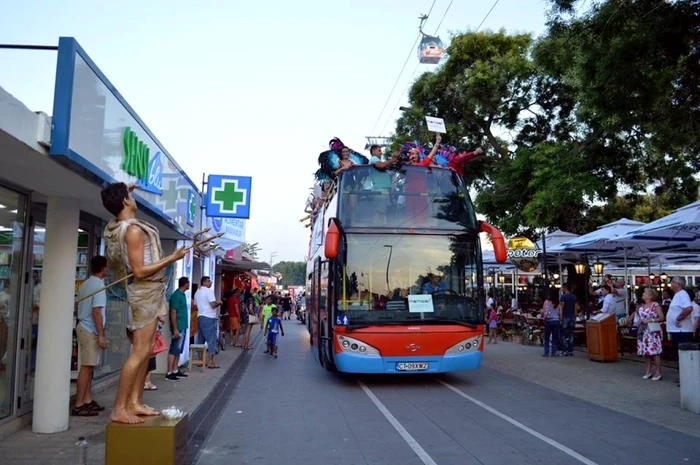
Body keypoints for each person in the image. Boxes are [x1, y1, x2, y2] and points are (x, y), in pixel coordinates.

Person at [101, 182, 187, 424]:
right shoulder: (133, 231)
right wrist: (172, 258)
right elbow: (138, 271)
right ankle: (120, 408)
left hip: (150, 293)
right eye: (129, 196)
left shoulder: (118, 226)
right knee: (139, 352)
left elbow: (112, 222)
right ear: (126, 202)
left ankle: (135, 402)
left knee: (147, 350)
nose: (133, 198)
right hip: (144, 294)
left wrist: (124, 193)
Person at [73, 255, 109, 417]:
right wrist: (101, 335)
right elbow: (96, 311)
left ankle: (87, 400)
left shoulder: (86, 284)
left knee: (89, 366)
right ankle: (79, 404)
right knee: (86, 368)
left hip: (84, 326)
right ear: (103, 268)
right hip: (89, 329)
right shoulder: (98, 285)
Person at [635, 288, 665, 381]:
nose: (643, 294)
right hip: (644, 331)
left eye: (645, 293)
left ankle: (658, 371)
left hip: (652, 331)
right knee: (646, 352)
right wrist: (640, 321)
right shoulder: (641, 307)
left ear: (650, 296)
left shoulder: (655, 305)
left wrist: (651, 320)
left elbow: (661, 317)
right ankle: (648, 371)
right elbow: (641, 317)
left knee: (655, 352)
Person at [195, 276, 222, 369]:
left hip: (200, 316)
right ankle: (211, 361)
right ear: (204, 282)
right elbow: (213, 304)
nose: (211, 283)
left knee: (200, 340)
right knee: (211, 339)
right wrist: (219, 302)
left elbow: (195, 305)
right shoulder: (208, 291)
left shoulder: (197, 292)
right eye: (209, 281)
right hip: (209, 317)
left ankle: (200, 360)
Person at [166, 277, 190, 381]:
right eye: (188, 283)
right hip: (178, 326)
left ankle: (175, 369)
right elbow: (173, 312)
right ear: (185, 284)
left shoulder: (182, 295)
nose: (189, 285)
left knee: (178, 350)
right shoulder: (176, 296)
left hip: (183, 326)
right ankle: (169, 372)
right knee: (174, 348)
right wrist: (175, 328)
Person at [558, 283, 579, 356]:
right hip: (572, 316)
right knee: (571, 333)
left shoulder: (563, 297)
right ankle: (570, 350)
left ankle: (564, 350)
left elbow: (561, 307)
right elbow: (576, 308)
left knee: (563, 333)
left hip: (565, 316)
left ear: (565, 288)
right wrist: (575, 317)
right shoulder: (574, 297)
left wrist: (560, 317)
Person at [542, 290, 560, 357]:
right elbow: (560, 313)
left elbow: (544, 311)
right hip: (556, 320)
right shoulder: (558, 303)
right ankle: (553, 352)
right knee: (555, 338)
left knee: (547, 337)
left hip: (548, 321)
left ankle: (546, 353)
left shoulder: (546, 302)